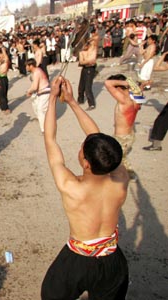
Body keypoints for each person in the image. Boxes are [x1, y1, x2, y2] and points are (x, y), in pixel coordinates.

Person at [41, 76, 129, 299]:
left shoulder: (71, 186)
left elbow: (50, 139)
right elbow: (97, 137)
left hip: (77, 259)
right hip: (112, 260)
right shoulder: (120, 177)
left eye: (82, 149)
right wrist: (71, 101)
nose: (81, 147)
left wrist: (53, 97)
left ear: (86, 164)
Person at [105, 74, 143, 181]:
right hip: (128, 136)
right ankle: (130, 175)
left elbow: (107, 83)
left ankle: (120, 178)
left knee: (114, 158)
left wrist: (126, 82)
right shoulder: (134, 98)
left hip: (122, 138)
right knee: (123, 157)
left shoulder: (124, 100)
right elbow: (139, 101)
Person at [25, 58, 50, 133]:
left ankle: (44, 129)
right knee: (35, 106)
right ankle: (41, 120)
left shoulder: (36, 72)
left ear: (31, 66)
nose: (26, 67)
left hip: (44, 92)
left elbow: (35, 86)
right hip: (39, 92)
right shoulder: (36, 71)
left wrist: (29, 91)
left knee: (40, 110)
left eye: (27, 66)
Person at [78, 41, 98, 110]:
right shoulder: (81, 52)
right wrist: (88, 61)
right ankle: (80, 100)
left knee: (88, 87)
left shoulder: (92, 50)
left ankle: (91, 103)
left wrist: (86, 61)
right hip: (84, 68)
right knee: (81, 86)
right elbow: (81, 62)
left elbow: (93, 61)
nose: (84, 47)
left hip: (91, 69)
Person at [0, 47, 11, 114]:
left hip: (3, 78)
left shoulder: (6, 60)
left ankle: (6, 108)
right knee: (0, 94)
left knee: (3, 93)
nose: (0, 55)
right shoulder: (1, 61)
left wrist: (3, 49)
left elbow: (6, 57)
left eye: (1, 54)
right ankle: (2, 107)